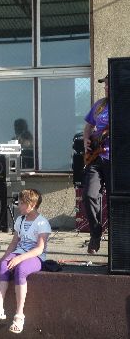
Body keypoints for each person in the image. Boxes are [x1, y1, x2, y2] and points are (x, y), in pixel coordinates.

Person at [0, 189, 51, 334]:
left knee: (21, 270)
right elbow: (14, 242)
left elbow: (39, 249)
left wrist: (20, 258)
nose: (19, 206)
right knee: (3, 266)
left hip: (35, 257)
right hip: (19, 252)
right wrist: (3, 258)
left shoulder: (42, 223)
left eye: (22, 203)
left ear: (32, 205)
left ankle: (19, 315)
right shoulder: (20, 220)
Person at [82, 75, 110, 254]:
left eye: (108, 84)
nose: (105, 87)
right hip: (96, 158)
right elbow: (88, 126)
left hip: (117, 160)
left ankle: (117, 238)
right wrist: (86, 139)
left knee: (117, 199)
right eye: (104, 85)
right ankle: (95, 233)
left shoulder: (124, 104)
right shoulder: (99, 104)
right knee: (89, 194)